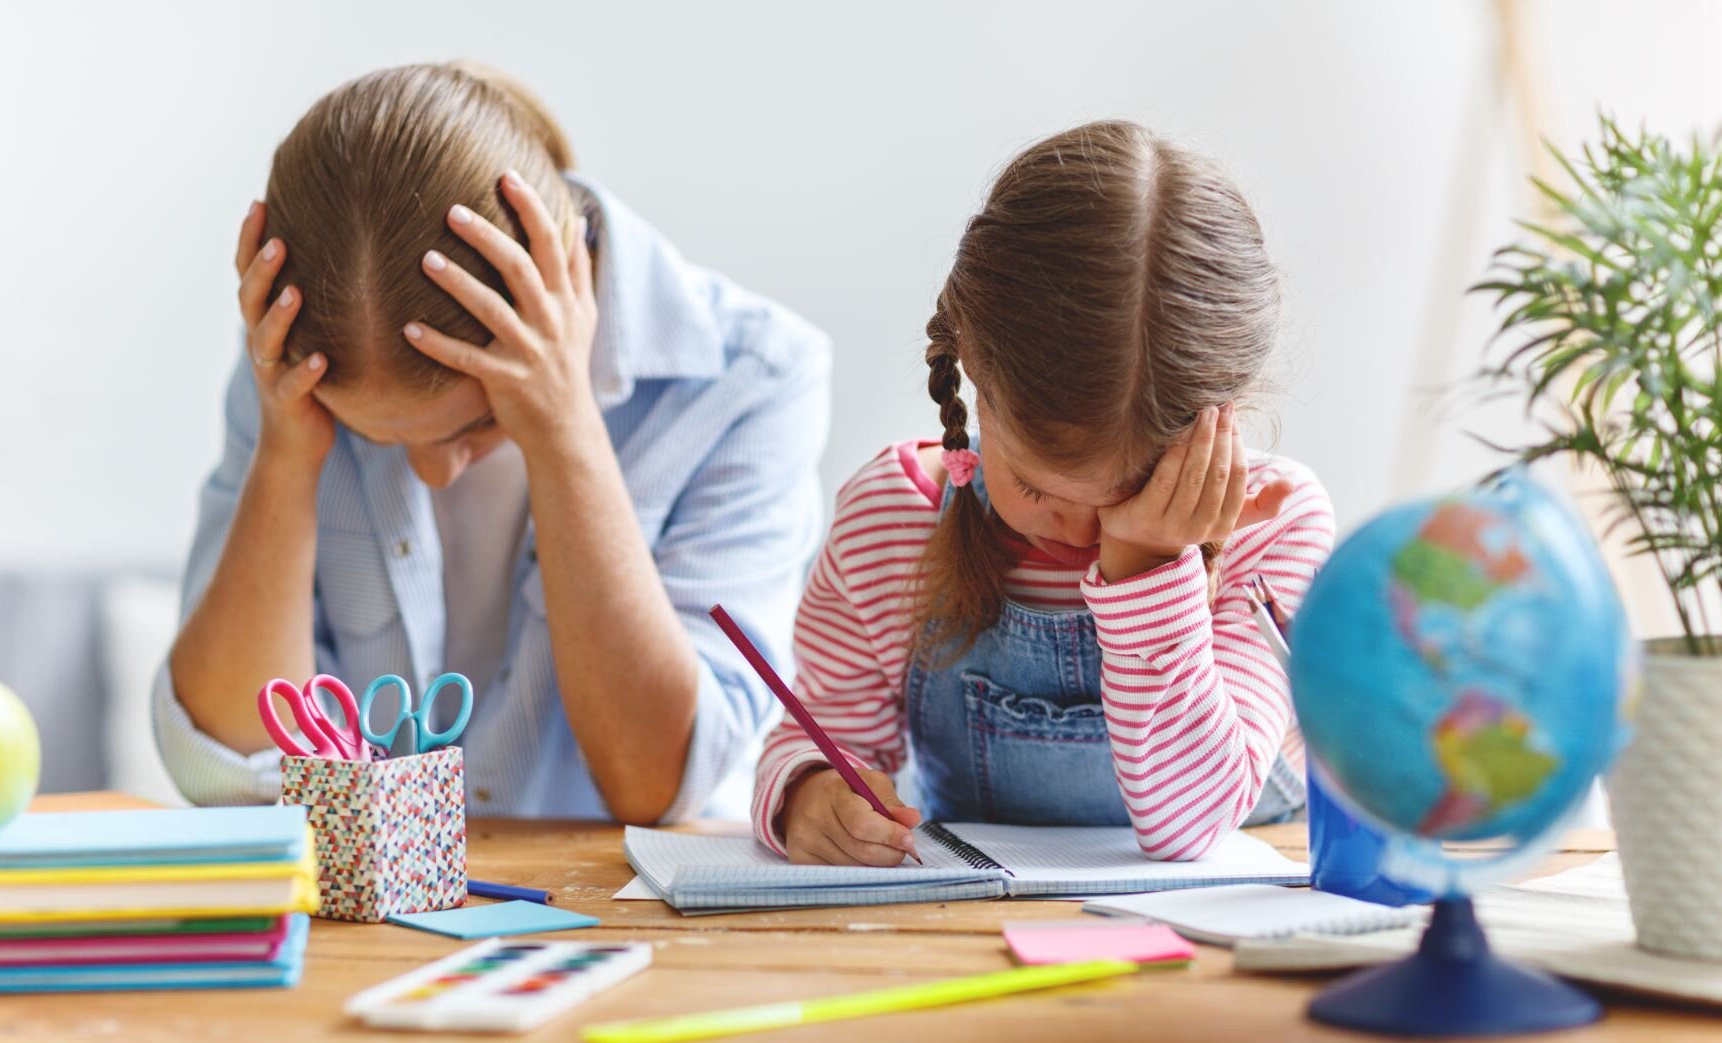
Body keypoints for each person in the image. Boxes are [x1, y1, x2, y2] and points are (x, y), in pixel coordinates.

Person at [157, 63, 829, 824]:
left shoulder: (753, 375)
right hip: (374, 928)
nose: (432, 472)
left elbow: (660, 787)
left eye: (475, 425)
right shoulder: (299, 372)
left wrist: (562, 428)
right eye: (369, 433)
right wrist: (287, 456)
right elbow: (223, 771)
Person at [754, 120, 1335, 865]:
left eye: (1129, 494)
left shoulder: (1273, 525)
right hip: (972, 932)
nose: (1080, 532)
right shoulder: (891, 520)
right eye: (1034, 486)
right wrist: (807, 792)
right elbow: (818, 731)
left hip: (1216, 933)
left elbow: (1190, 827)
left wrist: (1150, 562)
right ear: (972, 375)